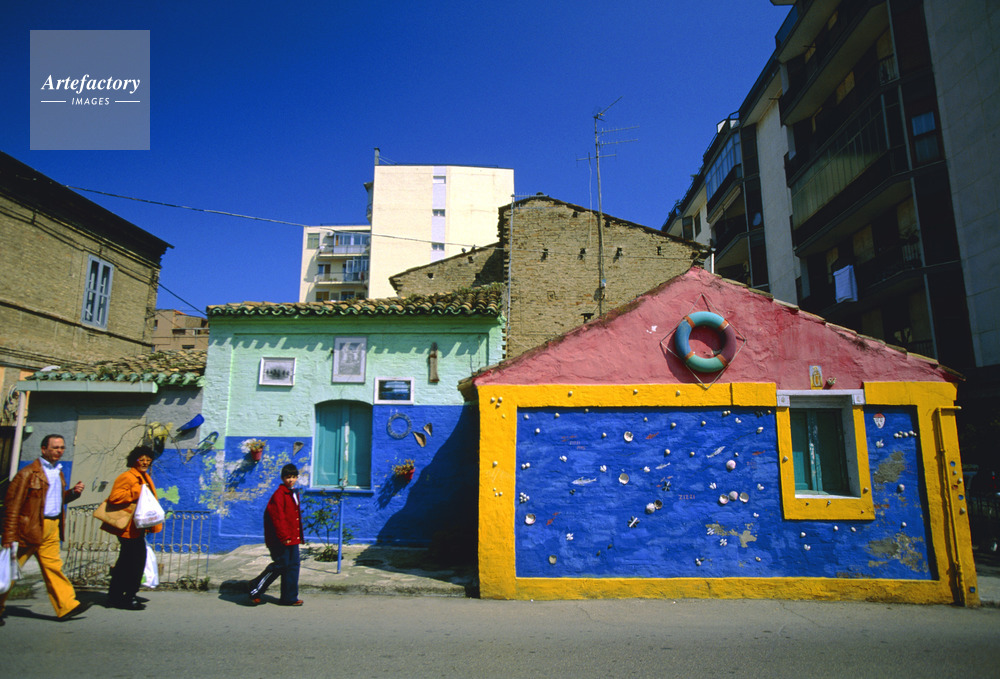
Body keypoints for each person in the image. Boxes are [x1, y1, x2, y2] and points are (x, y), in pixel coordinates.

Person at [0, 434, 88, 623]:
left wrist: (73, 493)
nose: (59, 451)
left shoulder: (58, 472)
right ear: (43, 449)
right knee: (9, 571)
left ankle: (67, 606)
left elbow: (53, 501)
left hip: (51, 527)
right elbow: (12, 506)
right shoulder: (27, 473)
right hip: (28, 528)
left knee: (53, 566)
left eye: (62, 448)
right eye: (55, 447)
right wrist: (8, 535)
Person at [102, 445, 162, 610]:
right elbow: (115, 497)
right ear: (134, 460)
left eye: (148, 460)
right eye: (142, 459)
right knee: (135, 562)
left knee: (125, 562)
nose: (145, 462)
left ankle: (115, 596)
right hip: (127, 527)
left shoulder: (144, 476)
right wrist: (137, 491)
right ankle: (128, 596)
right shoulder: (127, 477)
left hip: (137, 527)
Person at [248, 464, 304, 606]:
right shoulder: (279, 495)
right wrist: (284, 537)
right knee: (280, 565)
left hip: (292, 537)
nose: (291, 480)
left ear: (297, 477)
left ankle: (289, 598)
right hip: (281, 539)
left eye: (293, 477)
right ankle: (255, 587)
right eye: (288, 477)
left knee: (293, 567)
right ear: (282, 478)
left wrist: (296, 536)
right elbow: (278, 518)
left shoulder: (292, 493)